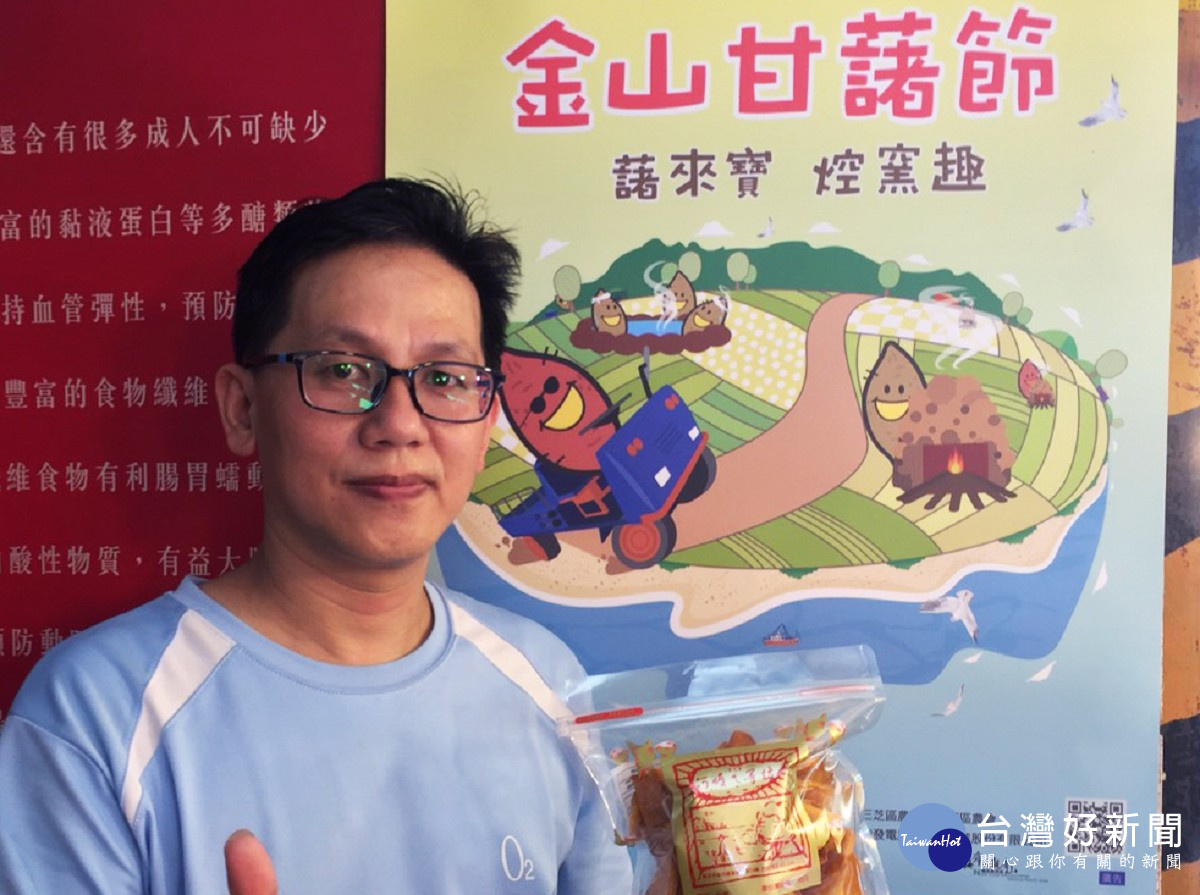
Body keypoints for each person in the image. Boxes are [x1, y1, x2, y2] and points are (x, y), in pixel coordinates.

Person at [0, 178, 632, 894]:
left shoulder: (549, 681)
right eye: (342, 370)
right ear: (242, 410)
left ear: (487, 425)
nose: (399, 424)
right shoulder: (96, 715)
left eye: (445, 378)